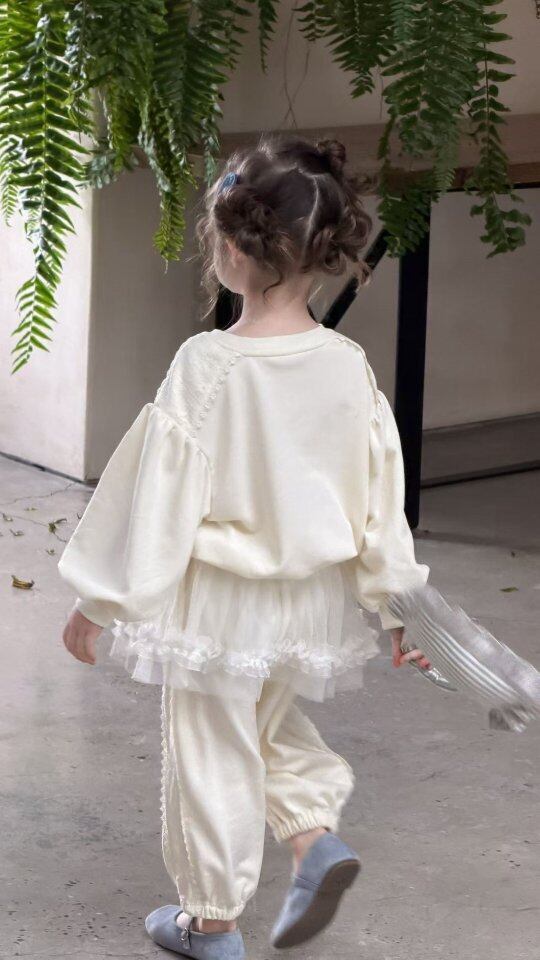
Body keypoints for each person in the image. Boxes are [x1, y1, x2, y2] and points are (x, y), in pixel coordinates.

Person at [59, 133, 431, 960]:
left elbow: (156, 499)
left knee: (208, 750)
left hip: (221, 601)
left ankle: (211, 921)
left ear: (232, 249)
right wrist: (396, 603)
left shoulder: (210, 365)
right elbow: (379, 500)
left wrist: (101, 600)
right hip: (304, 598)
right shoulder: (347, 365)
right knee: (267, 726)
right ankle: (312, 836)